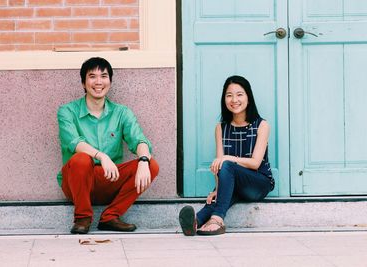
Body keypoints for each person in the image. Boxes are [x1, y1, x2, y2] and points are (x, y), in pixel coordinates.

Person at [57, 57, 159, 234]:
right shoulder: (67, 111)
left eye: (103, 76)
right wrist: (101, 156)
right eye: (92, 76)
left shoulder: (122, 113)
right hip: (76, 182)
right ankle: (82, 218)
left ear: (110, 82)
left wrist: (143, 160)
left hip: (109, 180)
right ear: (83, 83)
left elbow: (139, 140)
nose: (98, 81)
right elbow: (74, 142)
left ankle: (110, 217)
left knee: (151, 165)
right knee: (81, 159)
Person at [179, 75, 274, 236]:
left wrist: (228, 159)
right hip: (235, 184)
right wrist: (218, 188)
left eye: (239, 94)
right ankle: (196, 221)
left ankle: (217, 219)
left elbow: (255, 163)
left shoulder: (261, 125)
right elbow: (219, 166)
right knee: (222, 191)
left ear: (248, 97)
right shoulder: (221, 128)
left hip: (259, 184)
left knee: (227, 165)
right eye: (229, 95)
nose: (234, 100)